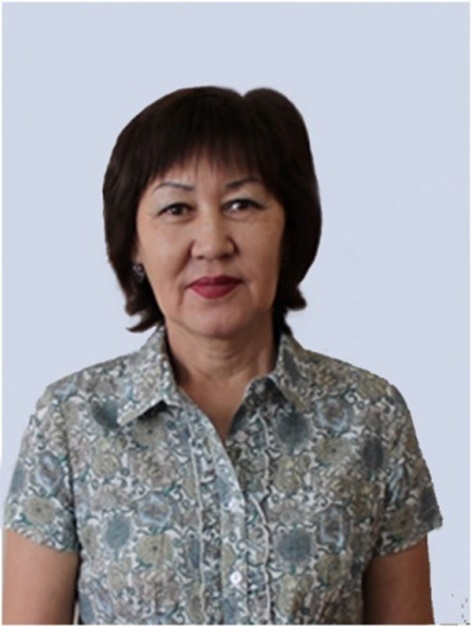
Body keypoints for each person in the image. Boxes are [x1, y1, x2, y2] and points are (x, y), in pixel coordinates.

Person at [3, 86, 442, 625]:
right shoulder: (70, 423)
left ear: (288, 229)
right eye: (176, 208)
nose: (212, 241)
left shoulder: (370, 419)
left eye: (242, 204)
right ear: (134, 242)